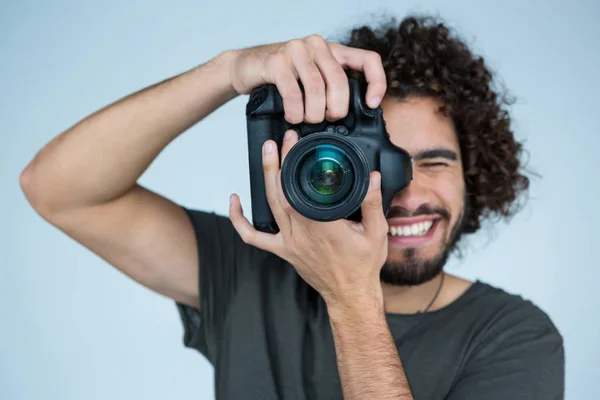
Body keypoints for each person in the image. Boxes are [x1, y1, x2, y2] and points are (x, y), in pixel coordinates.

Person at [19, 14, 564, 400]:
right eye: (377, 160)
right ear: (314, 160)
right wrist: (228, 73)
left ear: (478, 173)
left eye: (437, 162)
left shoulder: (515, 337)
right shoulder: (250, 274)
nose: (406, 190)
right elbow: (59, 189)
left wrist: (351, 301)